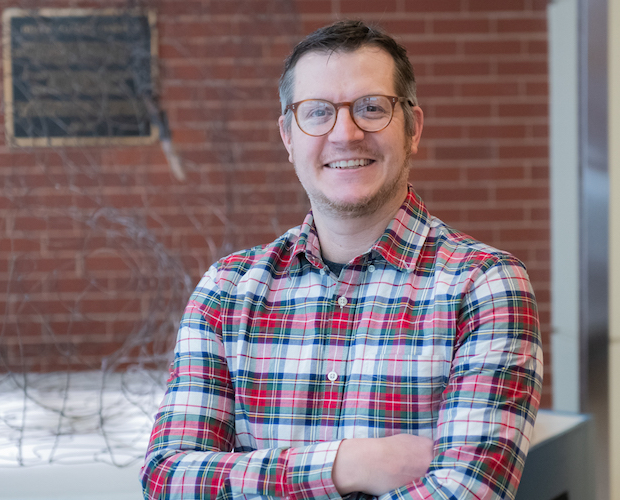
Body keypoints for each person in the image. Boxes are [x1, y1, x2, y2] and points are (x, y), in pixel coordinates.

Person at [141, 20, 542, 500]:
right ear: (289, 137)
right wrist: (345, 464)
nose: (346, 134)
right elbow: (169, 481)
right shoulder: (227, 291)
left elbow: (467, 493)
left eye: (372, 108)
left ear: (413, 129)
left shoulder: (484, 286)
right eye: (317, 113)